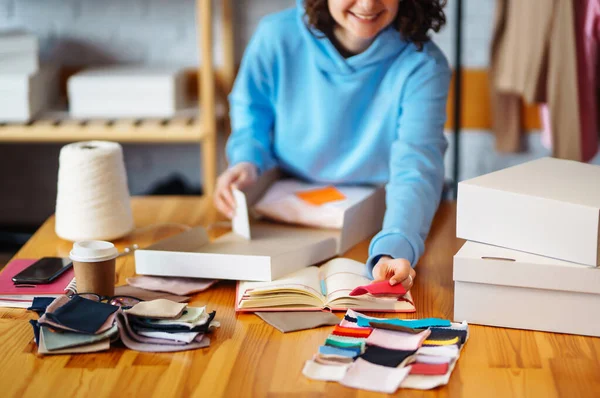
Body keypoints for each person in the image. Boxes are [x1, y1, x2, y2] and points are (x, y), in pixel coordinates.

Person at [214, 0, 450, 292]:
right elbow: (252, 112)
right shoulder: (276, 36)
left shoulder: (423, 64)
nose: (367, 4)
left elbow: (416, 164)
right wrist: (247, 161)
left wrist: (395, 246)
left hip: (382, 215)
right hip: (282, 206)